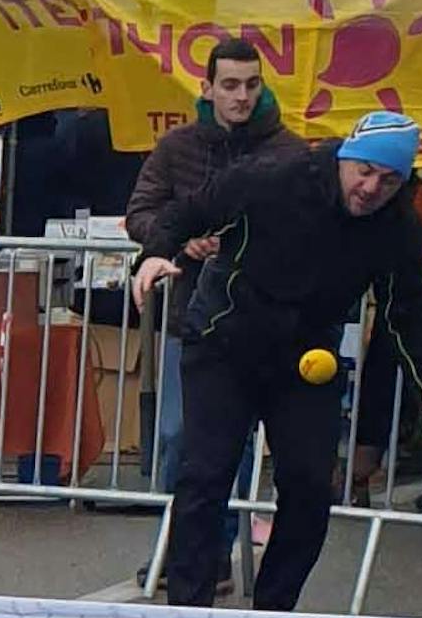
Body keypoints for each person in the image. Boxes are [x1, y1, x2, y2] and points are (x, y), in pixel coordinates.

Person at [130, 112, 422, 618]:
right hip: (223, 344)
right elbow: (184, 213)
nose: (371, 189)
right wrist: (154, 255)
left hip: (307, 362)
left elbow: (410, 317)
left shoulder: (399, 229)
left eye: (388, 181)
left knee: (312, 486)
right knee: (207, 474)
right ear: (344, 159)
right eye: (364, 172)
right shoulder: (271, 177)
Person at [124, 38, 297, 492]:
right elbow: (140, 213)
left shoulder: (288, 150)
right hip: (190, 314)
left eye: (252, 84)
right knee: (178, 435)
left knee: (233, 442)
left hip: (259, 316)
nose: (242, 96)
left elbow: (305, 226)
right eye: (231, 85)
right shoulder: (177, 146)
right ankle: (177, 549)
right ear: (207, 88)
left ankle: (214, 552)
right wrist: (180, 244)